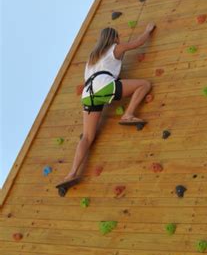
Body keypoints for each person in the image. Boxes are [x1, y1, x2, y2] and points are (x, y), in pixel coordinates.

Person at [56, 23, 155, 192]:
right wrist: (147, 31)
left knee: (86, 137)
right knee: (144, 85)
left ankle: (71, 173)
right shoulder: (115, 47)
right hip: (103, 86)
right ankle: (128, 114)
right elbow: (138, 43)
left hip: (88, 94)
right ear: (114, 38)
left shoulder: (92, 57)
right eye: (118, 37)